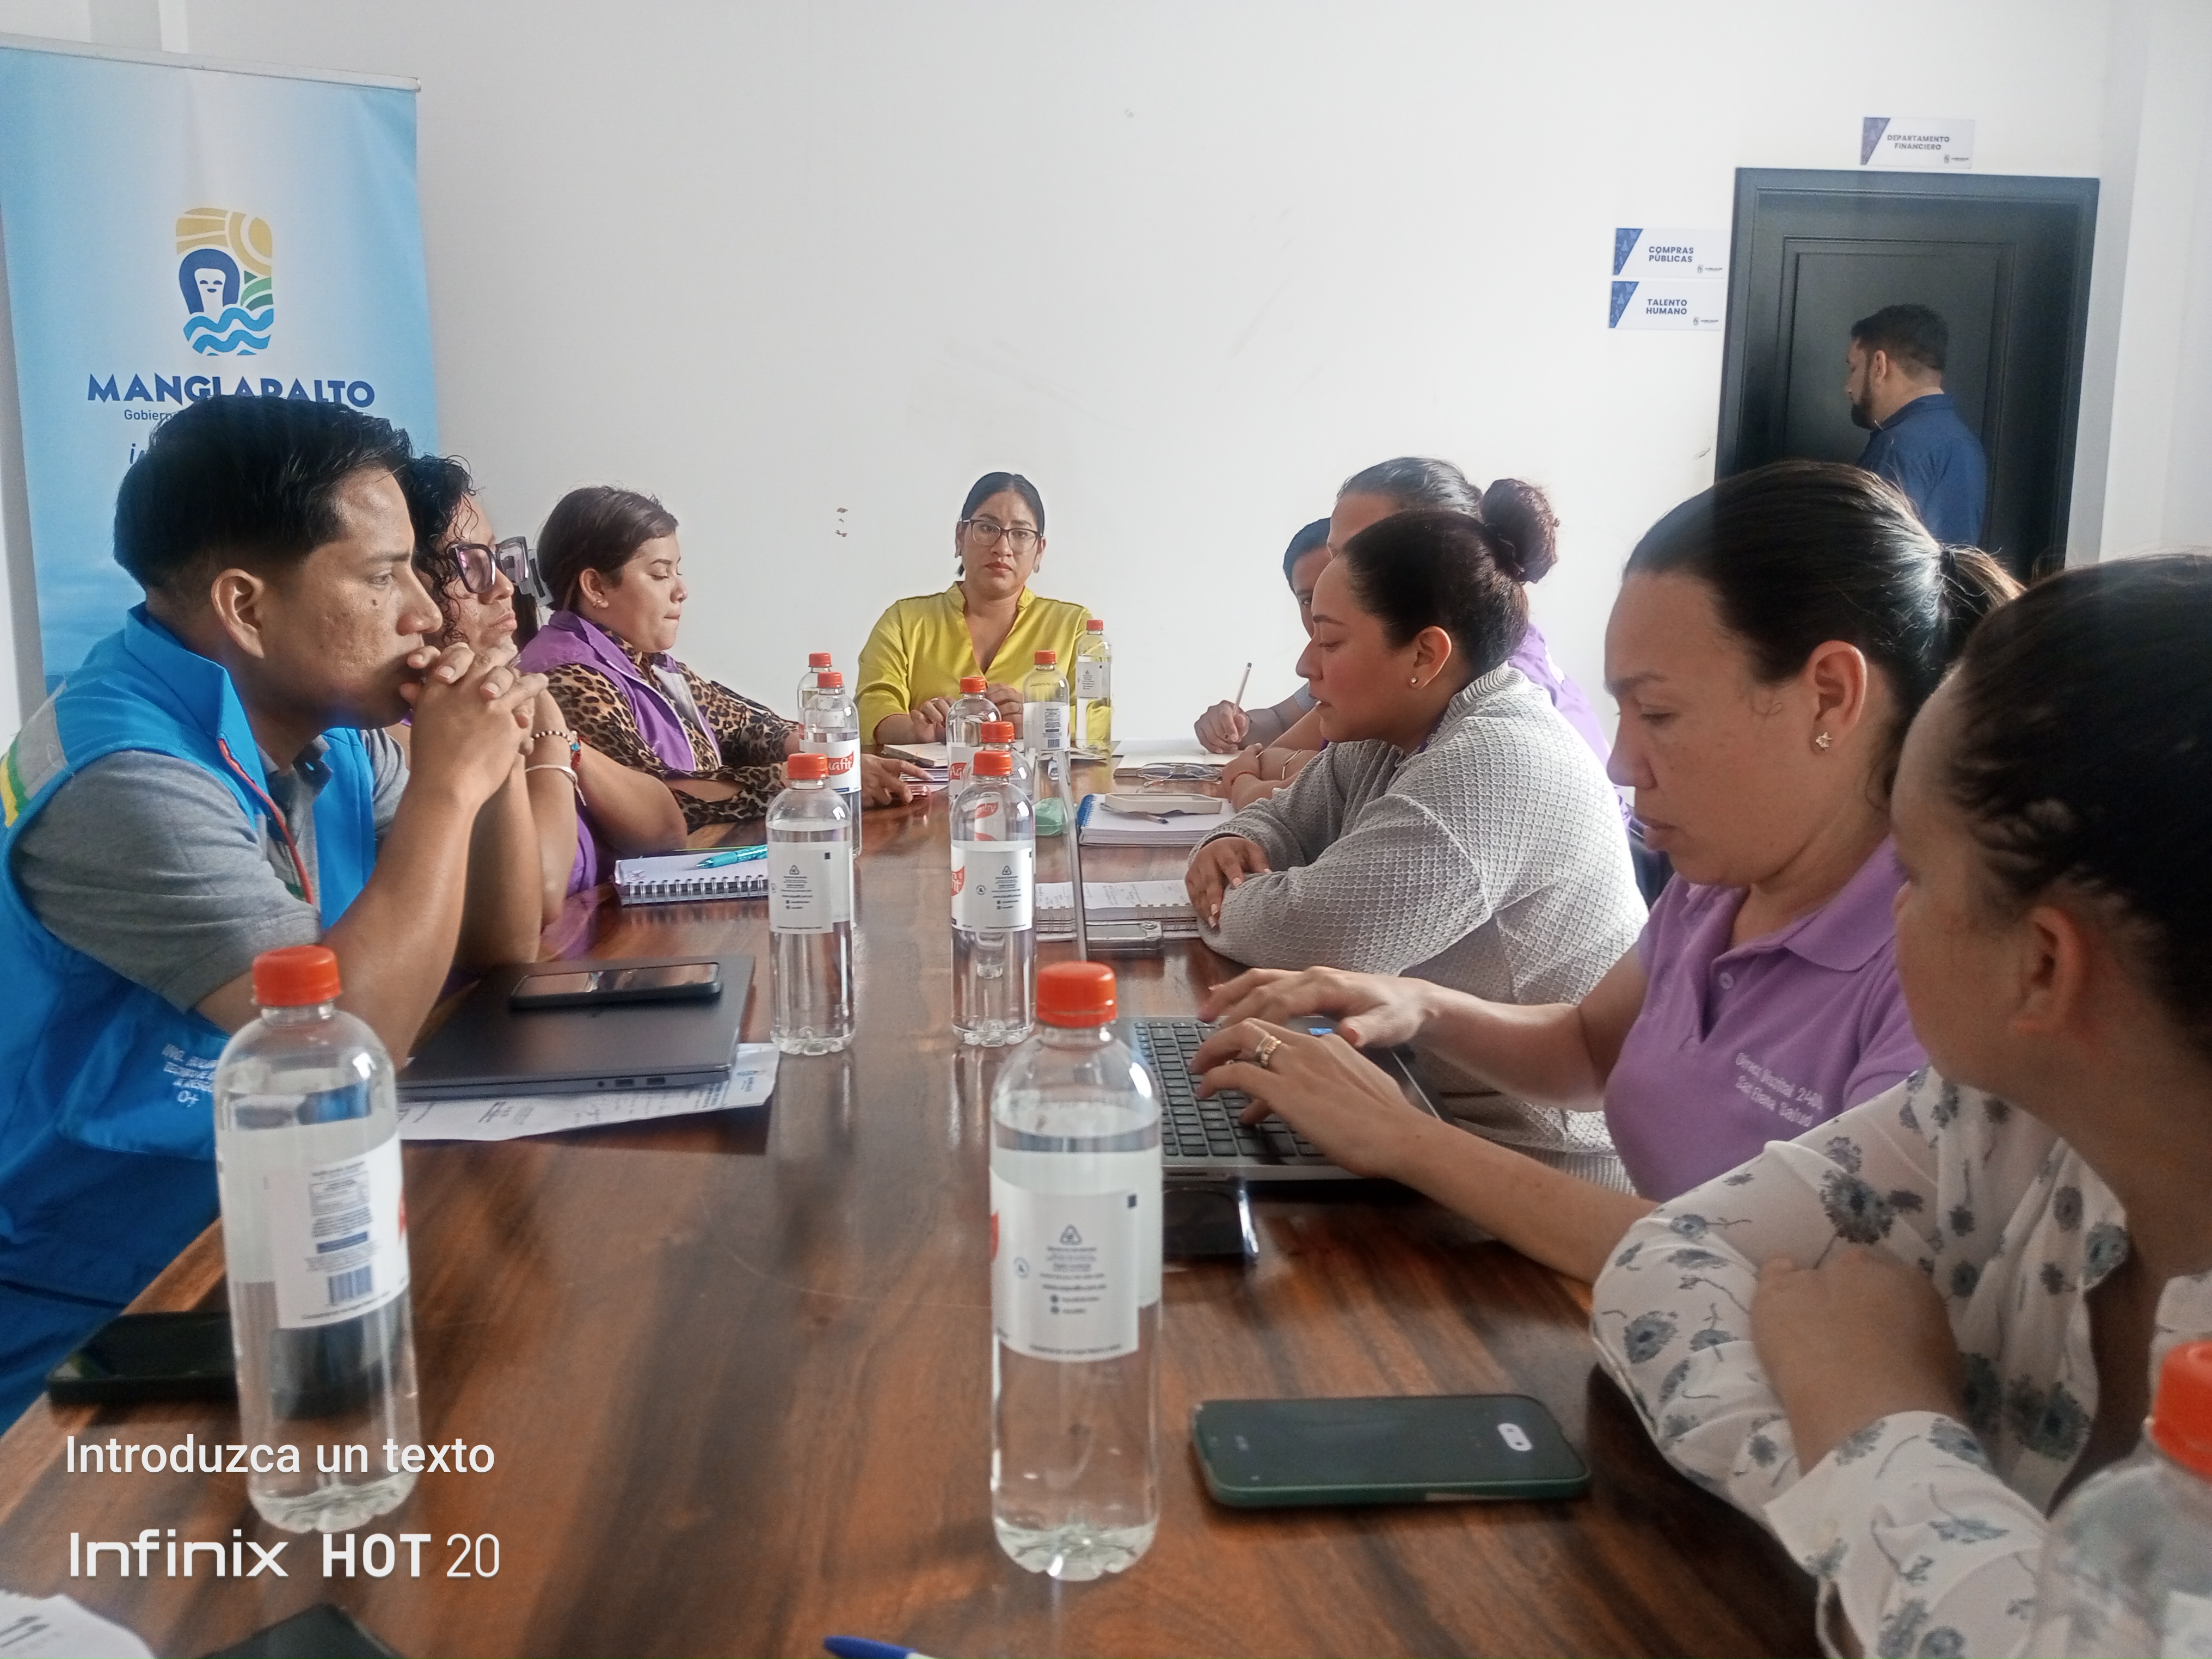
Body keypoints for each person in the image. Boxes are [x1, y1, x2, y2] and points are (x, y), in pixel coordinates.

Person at [1592, 555, 2212, 1659]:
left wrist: (1872, 1418)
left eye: (1913, 874)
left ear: (2041, 965)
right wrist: (1897, 1518)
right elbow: (1660, 1269)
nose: (1888, 908)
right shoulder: (2000, 1122)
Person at [1194, 462, 2017, 1270]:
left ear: (1829, 695)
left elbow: (1784, 1279)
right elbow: (1591, 1049)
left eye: (1657, 713)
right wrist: (1419, 1005)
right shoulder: (1721, 880)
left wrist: (1404, 1138)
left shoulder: (1936, 962)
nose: (1621, 763)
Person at [0, 397, 545, 1423]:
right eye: (384, 576)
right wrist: (447, 785)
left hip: (281, 1228)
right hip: (105, 1310)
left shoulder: (329, 726)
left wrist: (492, 737)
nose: (427, 614)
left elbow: (502, 937)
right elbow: (340, 1040)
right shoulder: (126, 780)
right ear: (246, 608)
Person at [1185, 500, 1648, 1188]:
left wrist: (1225, 892)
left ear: (1425, 655)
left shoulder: (1494, 762)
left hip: (1529, 1163)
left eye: (1329, 642)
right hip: (1419, 1099)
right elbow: (1282, 819)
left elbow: (1309, 936)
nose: (1306, 665)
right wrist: (1227, 839)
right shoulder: (1395, 730)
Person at [516, 487, 924, 844]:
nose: (682, 590)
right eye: (660, 575)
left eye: (678, 571)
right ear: (596, 587)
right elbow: (665, 797)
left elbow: (742, 725)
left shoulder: (645, 662)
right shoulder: (565, 677)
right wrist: (818, 778)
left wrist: (823, 755)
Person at [395, 458, 685, 920]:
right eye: (471, 564)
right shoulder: (398, 736)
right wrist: (549, 729)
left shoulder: (505, 694)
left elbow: (667, 830)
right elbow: (542, 888)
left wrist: (565, 742)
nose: (504, 587)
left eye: (497, 560)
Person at [857, 472, 1092, 745]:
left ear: (1039, 550)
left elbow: (1096, 716)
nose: (1002, 548)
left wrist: (1035, 719)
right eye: (988, 528)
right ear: (960, 536)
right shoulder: (904, 621)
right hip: (928, 773)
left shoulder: (1074, 627)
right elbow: (872, 706)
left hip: (1037, 772)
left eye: (1020, 534)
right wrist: (919, 731)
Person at [1846, 303, 1989, 546]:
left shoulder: (1896, 448)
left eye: (1853, 368)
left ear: (1879, 366)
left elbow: (1868, 556)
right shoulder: (1965, 442)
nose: (1848, 387)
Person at [1193, 518, 1330, 752]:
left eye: (1334, 591)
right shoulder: (1328, 670)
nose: (1320, 610)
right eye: (1308, 600)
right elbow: (1280, 721)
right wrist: (1239, 725)